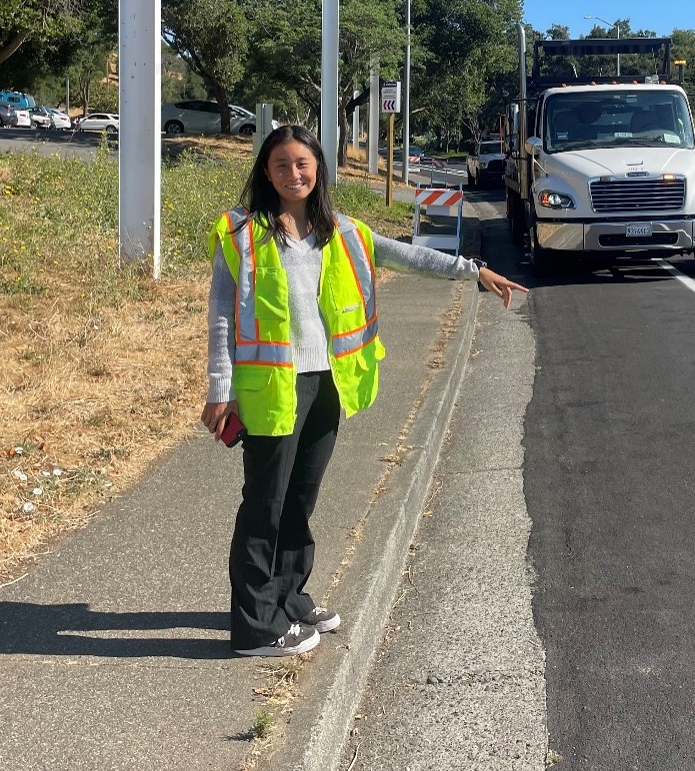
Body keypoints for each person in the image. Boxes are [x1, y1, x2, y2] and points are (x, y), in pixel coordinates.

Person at [201, 125, 527, 657]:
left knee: (300, 500)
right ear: (266, 171)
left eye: (302, 164)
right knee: (265, 502)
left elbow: (407, 255)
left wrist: (474, 271)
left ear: (319, 170)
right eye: (281, 165)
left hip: (326, 383)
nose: (293, 174)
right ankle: (255, 627)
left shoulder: (342, 231)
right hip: (269, 387)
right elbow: (220, 315)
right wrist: (220, 387)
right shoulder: (243, 234)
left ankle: (288, 596)